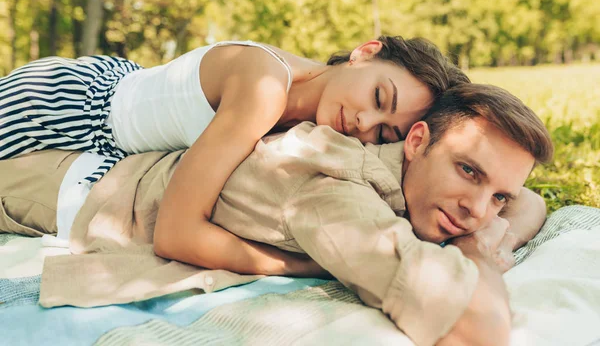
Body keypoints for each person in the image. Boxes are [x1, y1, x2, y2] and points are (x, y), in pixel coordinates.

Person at [0, 83, 553, 345]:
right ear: (415, 140)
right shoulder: (331, 188)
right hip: (74, 188)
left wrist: (483, 223)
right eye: (469, 173)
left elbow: (535, 200)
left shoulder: (416, 186)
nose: (478, 210)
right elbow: (475, 328)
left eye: (497, 197)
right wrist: (475, 253)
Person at [0, 36, 469, 276]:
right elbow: (177, 235)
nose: (365, 123)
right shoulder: (264, 90)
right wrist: (310, 264)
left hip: (109, 146)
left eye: (386, 130)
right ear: (365, 53)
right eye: (379, 96)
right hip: (63, 105)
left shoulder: (307, 119)